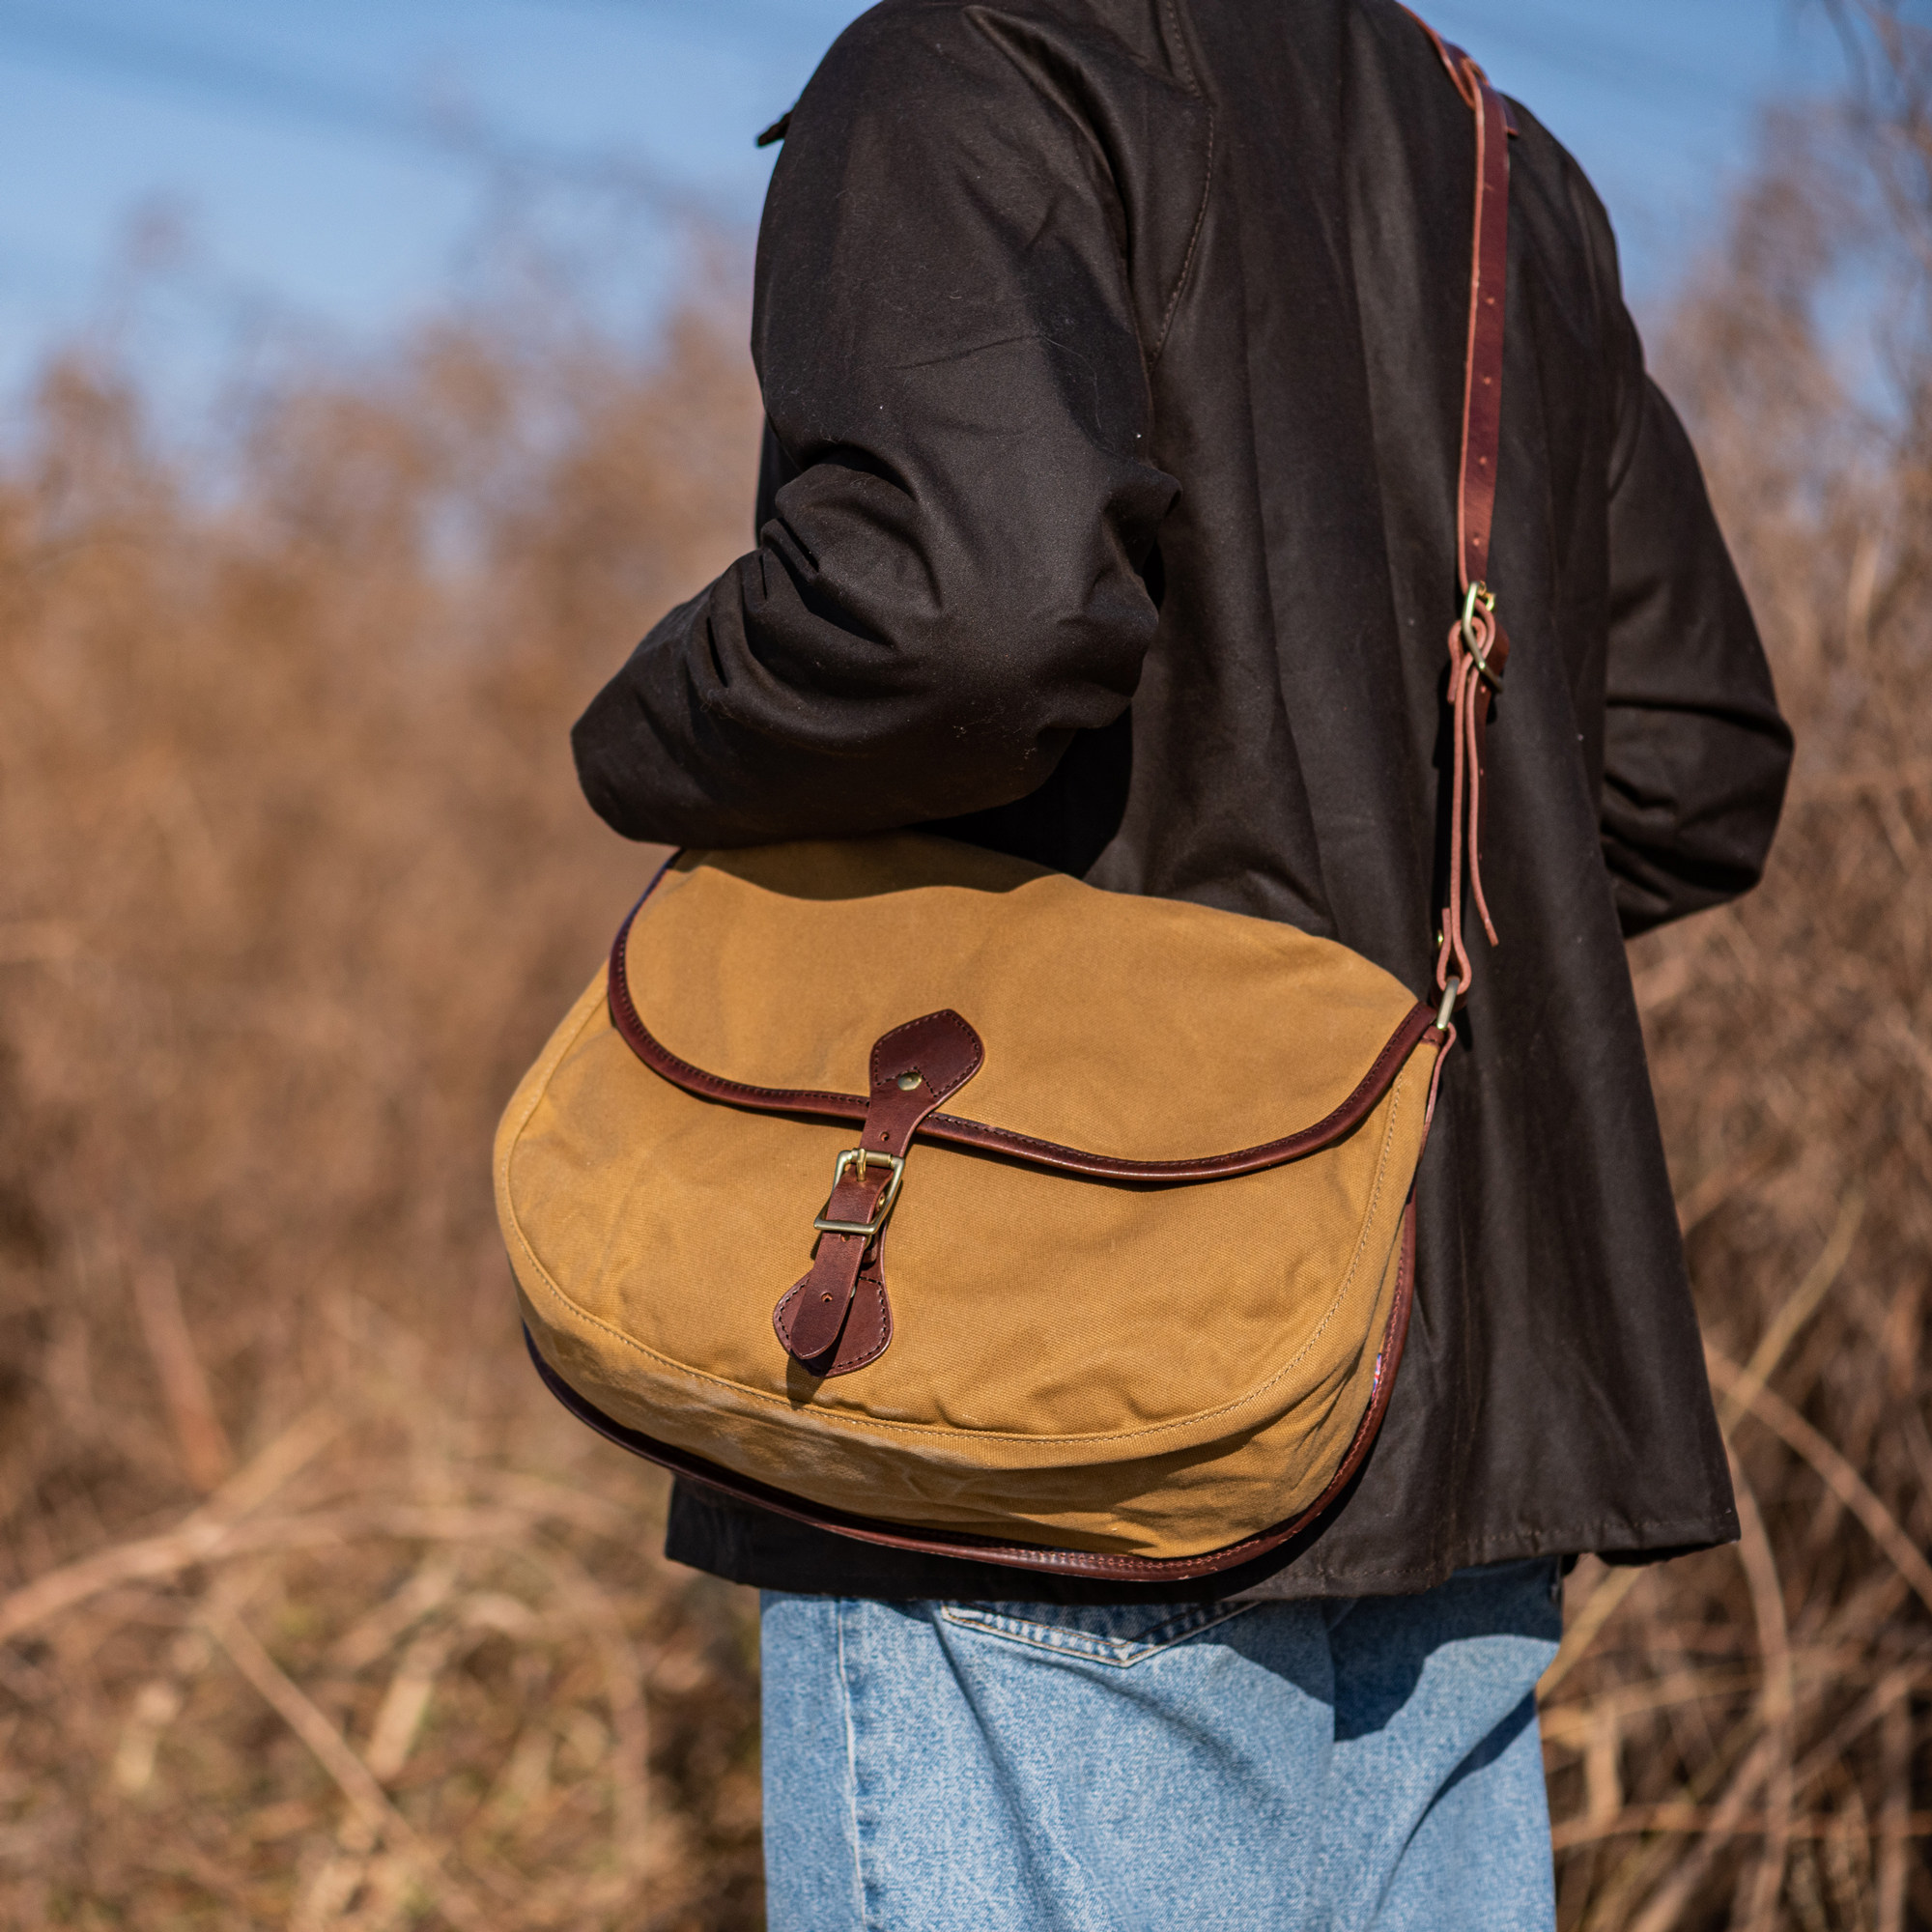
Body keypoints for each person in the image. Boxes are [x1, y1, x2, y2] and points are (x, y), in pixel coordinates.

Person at [569, 0, 1793, 1922]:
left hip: (1052, 1389)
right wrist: (1362, 1022)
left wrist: (644, 735)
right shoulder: (1499, 166)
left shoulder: (966, 63)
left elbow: (954, 613)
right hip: (1448, 1390)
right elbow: (1685, 760)